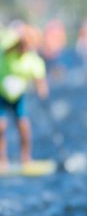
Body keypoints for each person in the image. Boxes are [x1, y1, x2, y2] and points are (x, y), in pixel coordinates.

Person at [0, 27, 48, 168]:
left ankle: (26, 158)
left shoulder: (34, 61)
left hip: (18, 96)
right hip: (1, 94)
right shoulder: (9, 51)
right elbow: (7, 48)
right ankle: (2, 160)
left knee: (23, 126)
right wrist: (20, 39)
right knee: (1, 126)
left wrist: (41, 90)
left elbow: (41, 81)